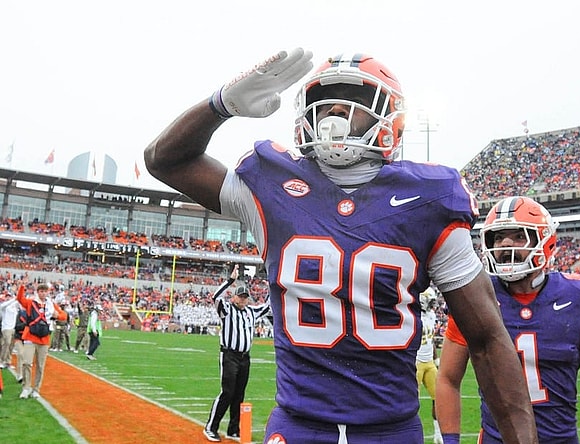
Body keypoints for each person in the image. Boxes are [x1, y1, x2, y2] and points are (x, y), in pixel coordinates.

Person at [145, 49, 538, 443]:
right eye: (325, 101)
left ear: (390, 116)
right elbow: (164, 159)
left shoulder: (429, 200)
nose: (335, 111)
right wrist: (222, 105)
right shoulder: (270, 184)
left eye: (355, 100)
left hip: (390, 431)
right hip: (298, 426)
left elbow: (487, 340)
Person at [436, 196, 580, 444]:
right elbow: (447, 378)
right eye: (498, 237)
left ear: (546, 241)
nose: (505, 244)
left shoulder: (577, 298)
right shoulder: (475, 298)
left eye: (519, 236)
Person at [204, 265, 270, 442]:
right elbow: (215, 297)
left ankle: (233, 429)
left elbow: (268, 306)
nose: (243, 299)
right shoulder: (226, 310)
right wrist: (230, 281)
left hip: (244, 358)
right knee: (227, 392)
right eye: (240, 296)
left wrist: (272, 284)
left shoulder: (251, 311)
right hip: (229, 355)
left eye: (245, 297)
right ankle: (211, 427)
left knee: (239, 394)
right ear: (234, 297)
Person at [16, 282, 67, 399]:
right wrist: (22, 287)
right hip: (30, 336)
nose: (43, 293)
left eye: (45, 291)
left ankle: (36, 389)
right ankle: (26, 387)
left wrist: (56, 315)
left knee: (40, 365)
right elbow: (20, 299)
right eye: (41, 291)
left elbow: (64, 316)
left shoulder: (50, 304)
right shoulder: (31, 302)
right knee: (27, 362)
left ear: (48, 292)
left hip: (44, 339)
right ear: (38, 292)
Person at [416, 288, 442, 444]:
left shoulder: (431, 316)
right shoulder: (414, 316)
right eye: (430, 301)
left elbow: (431, 340)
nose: (433, 304)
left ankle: (438, 433)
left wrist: (436, 359)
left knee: (438, 398)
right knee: (412, 403)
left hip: (429, 363)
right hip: (416, 363)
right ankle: (413, 434)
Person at [0, 292, 20, 369]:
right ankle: (1, 361)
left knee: (11, 346)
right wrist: (14, 299)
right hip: (6, 328)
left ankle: (8, 361)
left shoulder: (14, 307)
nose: (8, 297)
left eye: (9, 296)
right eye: (7, 296)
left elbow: (19, 302)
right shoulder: (3, 306)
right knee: (6, 344)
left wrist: (18, 297)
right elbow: (6, 304)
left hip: (13, 328)